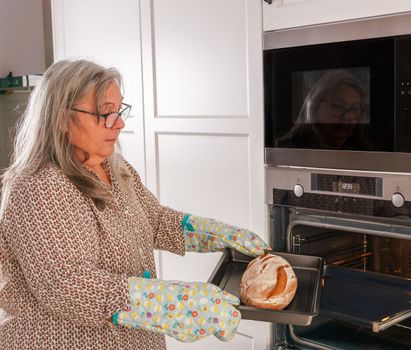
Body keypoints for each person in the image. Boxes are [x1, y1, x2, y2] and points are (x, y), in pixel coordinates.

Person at [0, 59, 270, 349]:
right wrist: (171, 304)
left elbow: (153, 221)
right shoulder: (37, 187)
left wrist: (217, 235)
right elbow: (67, 286)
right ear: (62, 119)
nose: (119, 123)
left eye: (119, 111)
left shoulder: (113, 166)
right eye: (105, 113)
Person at [276, 70, 370, 149]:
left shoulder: (364, 153)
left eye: (355, 108)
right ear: (315, 107)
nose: (347, 117)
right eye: (337, 106)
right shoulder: (285, 150)